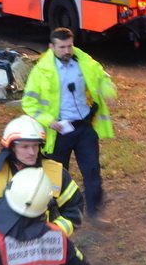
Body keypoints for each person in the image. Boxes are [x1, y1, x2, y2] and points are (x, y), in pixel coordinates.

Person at [23, 27, 117, 225]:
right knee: (56, 176)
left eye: (69, 46)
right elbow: (29, 103)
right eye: (62, 47)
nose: (67, 50)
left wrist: (108, 92)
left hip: (84, 127)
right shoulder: (41, 71)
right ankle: (56, 217)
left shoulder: (84, 62)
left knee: (92, 171)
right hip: (59, 132)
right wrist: (50, 121)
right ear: (52, 47)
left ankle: (95, 213)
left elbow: (103, 79)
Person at [0, 115, 83, 237]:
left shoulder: (55, 173)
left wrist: (53, 234)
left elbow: (74, 209)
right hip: (4, 251)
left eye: (35, 145)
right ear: (12, 147)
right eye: (25, 147)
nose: (32, 152)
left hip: (44, 249)